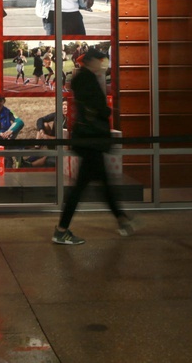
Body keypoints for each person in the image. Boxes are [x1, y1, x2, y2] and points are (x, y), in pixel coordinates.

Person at [53, 48, 134, 245]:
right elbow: (99, 106)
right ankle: (61, 230)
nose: (103, 64)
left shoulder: (85, 77)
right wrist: (106, 109)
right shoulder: (86, 78)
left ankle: (121, 220)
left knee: (99, 184)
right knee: (83, 188)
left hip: (90, 141)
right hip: (91, 141)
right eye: (101, 60)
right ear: (92, 61)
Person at [22, 100, 68, 168]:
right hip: (53, 142)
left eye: (66, 105)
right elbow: (40, 119)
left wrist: (48, 137)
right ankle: (36, 149)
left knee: (47, 156)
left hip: (62, 145)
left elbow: (65, 139)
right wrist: (41, 131)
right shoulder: (57, 115)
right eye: (63, 105)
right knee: (44, 124)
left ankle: (29, 165)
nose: (64, 107)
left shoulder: (71, 120)